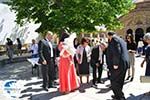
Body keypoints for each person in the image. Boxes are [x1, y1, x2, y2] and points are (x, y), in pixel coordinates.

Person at [106, 32, 129, 100]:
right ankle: (117, 96)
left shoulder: (114, 39)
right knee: (120, 81)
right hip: (124, 64)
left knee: (113, 81)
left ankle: (121, 97)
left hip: (118, 65)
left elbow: (117, 51)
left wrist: (115, 64)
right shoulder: (121, 40)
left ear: (109, 36)